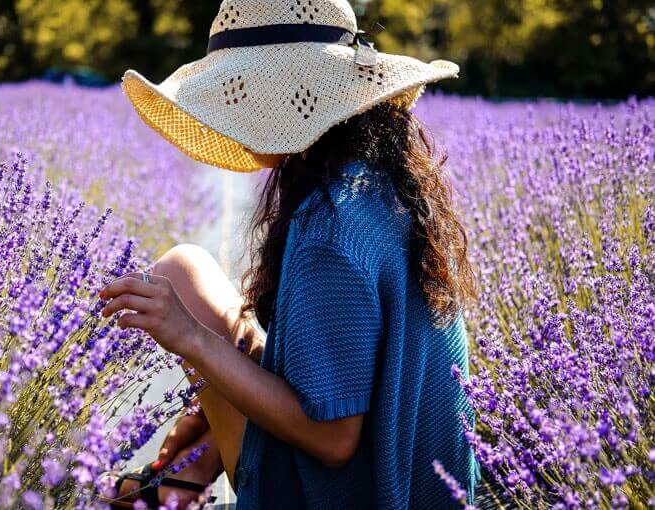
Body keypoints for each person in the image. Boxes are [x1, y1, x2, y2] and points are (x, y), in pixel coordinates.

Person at [99, 0, 480, 508]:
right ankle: (190, 471)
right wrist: (217, 411)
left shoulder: (330, 226)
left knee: (179, 281)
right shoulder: (384, 184)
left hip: (354, 495)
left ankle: (178, 481)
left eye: (237, 93)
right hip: (430, 487)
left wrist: (189, 339)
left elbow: (333, 439)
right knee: (186, 272)